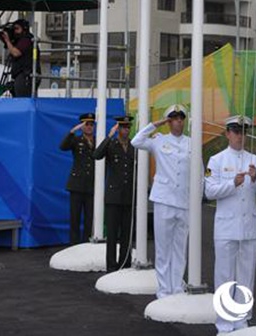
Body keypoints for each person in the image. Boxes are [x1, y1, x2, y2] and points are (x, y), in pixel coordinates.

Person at [205, 115, 256, 334]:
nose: (240, 136)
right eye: (236, 131)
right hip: (226, 227)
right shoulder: (217, 160)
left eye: (243, 132)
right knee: (224, 277)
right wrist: (233, 183)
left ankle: (241, 322)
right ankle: (224, 325)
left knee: (246, 277)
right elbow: (209, 191)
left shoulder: (255, 160)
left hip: (249, 226)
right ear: (227, 133)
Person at [131, 103, 191, 298]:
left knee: (180, 248)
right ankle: (164, 290)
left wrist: (197, 198)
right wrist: (154, 125)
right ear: (168, 121)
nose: (178, 122)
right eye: (174, 119)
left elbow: (197, 172)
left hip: (184, 201)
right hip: (164, 200)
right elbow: (136, 141)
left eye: (181, 118)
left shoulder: (191, 142)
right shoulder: (158, 140)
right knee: (163, 248)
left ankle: (177, 287)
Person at [93, 114, 135, 272]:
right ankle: (111, 266)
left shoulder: (133, 146)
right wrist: (108, 136)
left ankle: (125, 264)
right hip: (113, 196)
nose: (126, 130)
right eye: (123, 127)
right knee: (112, 234)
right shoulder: (111, 144)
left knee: (127, 234)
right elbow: (96, 155)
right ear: (118, 129)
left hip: (128, 196)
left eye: (128, 127)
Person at [60, 112, 96, 244]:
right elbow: (63, 147)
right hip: (77, 185)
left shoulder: (98, 141)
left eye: (91, 124)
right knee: (75, 217)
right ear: (81, 126)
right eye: (86, 124)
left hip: (92, 185)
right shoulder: (76, 140)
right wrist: (72, 132)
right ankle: (74, 245)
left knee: (90, 218)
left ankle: (86, 243)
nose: (89, 127)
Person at [0, 19, 34, 97]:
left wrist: (7, 41)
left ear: (24, 29)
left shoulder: (26, 39)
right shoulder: (19, 40)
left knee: (21, 99)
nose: (15, 31)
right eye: (14, 29)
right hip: (20, 74)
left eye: (17, 29)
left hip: (26, 75)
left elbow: (15, 53)